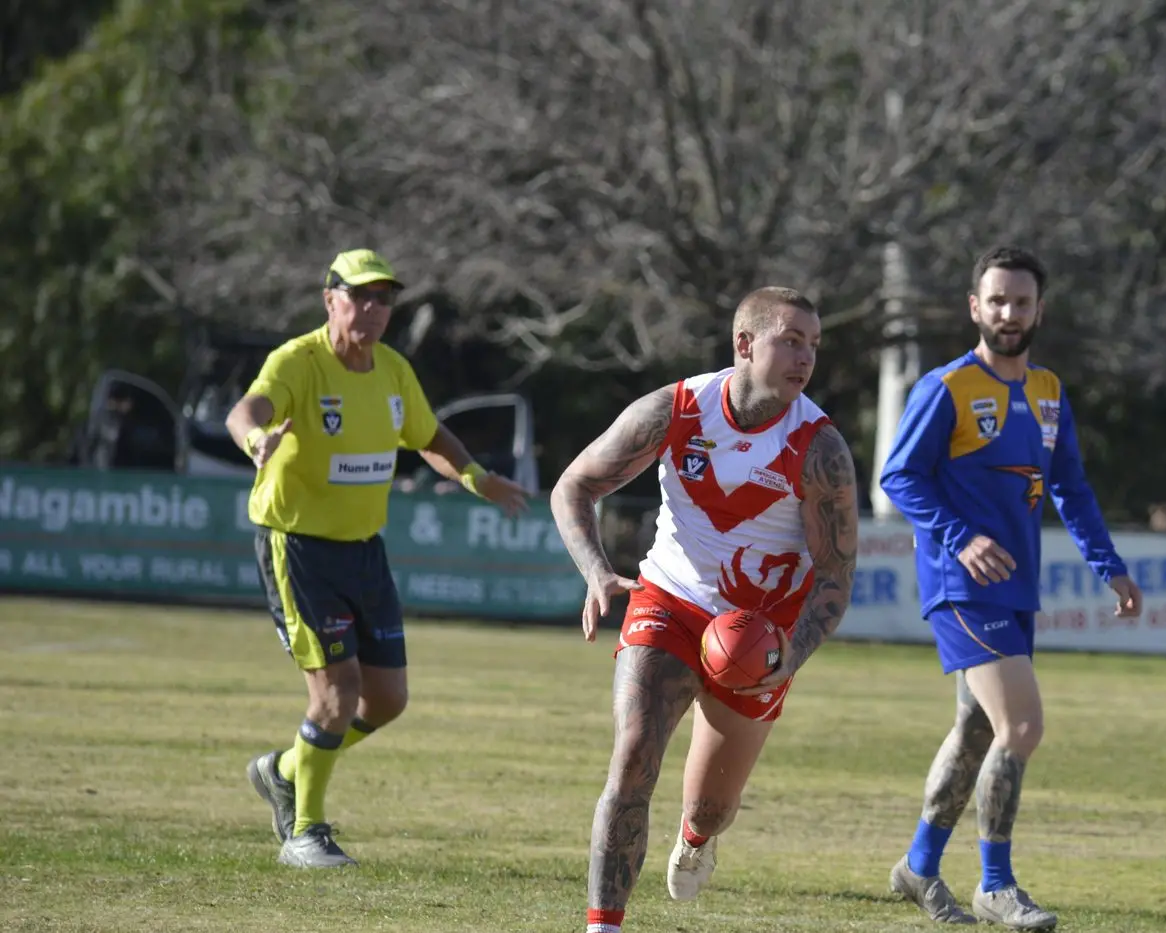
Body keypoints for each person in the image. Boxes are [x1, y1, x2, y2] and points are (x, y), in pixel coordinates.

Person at [549, 287, 859, 933]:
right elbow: (574, 485)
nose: (806, 357)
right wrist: (596, 570)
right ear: (744, 344)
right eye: (791, 341)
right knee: (633, 757)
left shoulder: (819, 447)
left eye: (813, 344)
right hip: (670, 600)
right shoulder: (677, 409)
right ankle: (603, 925)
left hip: (758, 633)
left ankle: (695, 835)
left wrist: (790, 656)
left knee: (711, 806)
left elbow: (835, 575)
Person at [224, 248, 530, 868]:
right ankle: (305, 832)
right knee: (337, 692)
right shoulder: (298, 361)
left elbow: (428, 435)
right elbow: (246, 410)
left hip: (364, 549)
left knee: (387, 699)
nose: (372, 308)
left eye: (383, 298)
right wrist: (256, 440)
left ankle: (285, 769)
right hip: (298, 546)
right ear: (329, 299)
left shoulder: (392, 369)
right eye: (360, 295)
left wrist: (475, 476)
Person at [879, 247, 1144, 929]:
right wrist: (961, 537)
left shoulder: (1049, 390)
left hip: (1015, 587)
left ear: (1038, 310)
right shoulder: (947, 387)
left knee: (978, 730)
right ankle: (995, 885)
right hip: (962, 584)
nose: (1008, 313)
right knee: (1022, 725)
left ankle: (918, 865)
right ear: (975, 307)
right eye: (996, 300)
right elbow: (900, 476)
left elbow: (1070, 486)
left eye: (1021, 302)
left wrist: (1108, 565)